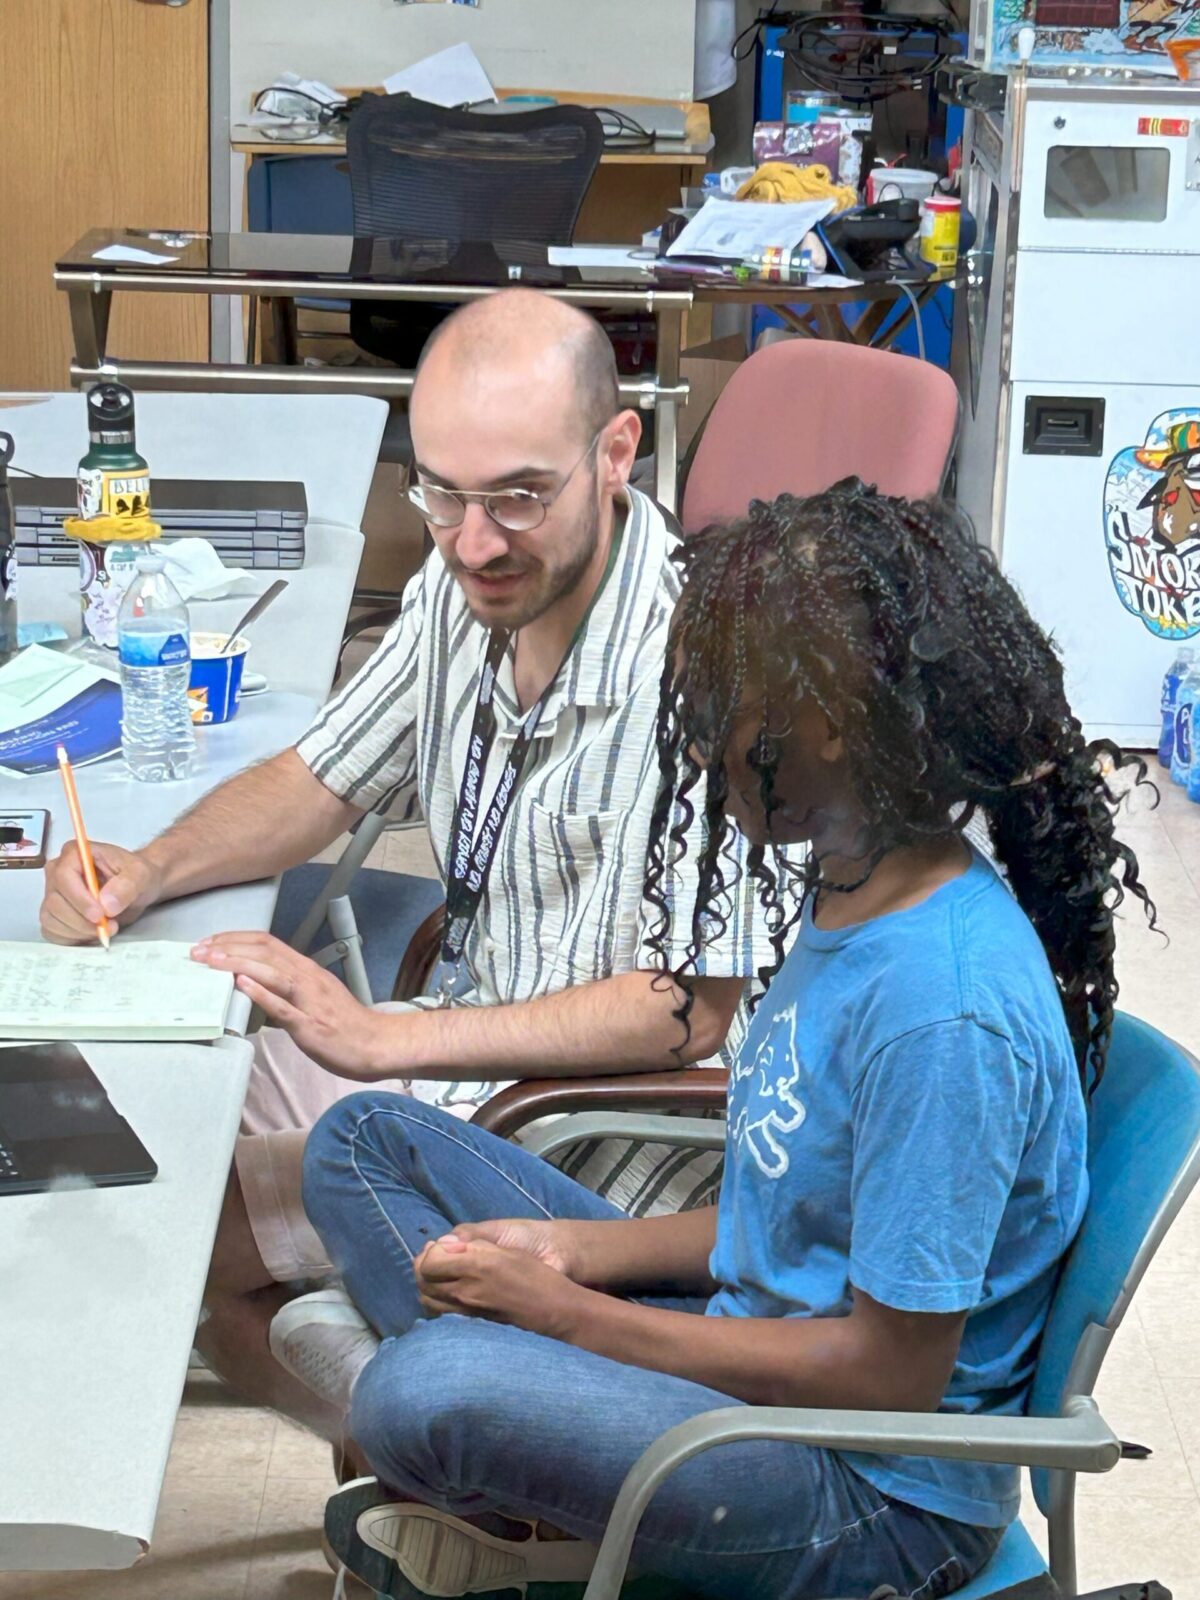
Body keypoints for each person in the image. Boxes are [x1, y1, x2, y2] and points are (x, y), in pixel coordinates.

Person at [299, 481, 1156, 1600]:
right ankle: (501, 1450)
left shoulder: (942, 1012)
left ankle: (477, 1441)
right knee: (362, 1140)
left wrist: (573, 1322)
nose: (698, 742)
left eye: (719, 705)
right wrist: (576, 1256)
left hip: (868, 1490)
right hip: (762, 1354)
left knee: (420, 1392)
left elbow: (888, 1380)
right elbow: (794, 1211)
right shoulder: (854, 883)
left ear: (832, 722)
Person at [39, 290, 772, 1439]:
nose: (474, 540)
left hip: (585, 1147)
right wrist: (147, 866)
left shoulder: (703, 667)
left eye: (518, 496)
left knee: (168, 1223)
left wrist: (387, 1040)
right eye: (441, 493)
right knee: (145, 1096)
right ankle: (433, 1457)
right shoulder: (468, 582)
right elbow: (319, 778)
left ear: (616, 451)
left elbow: (686, 1013)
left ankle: (468, 1461)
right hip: (458, 1061)